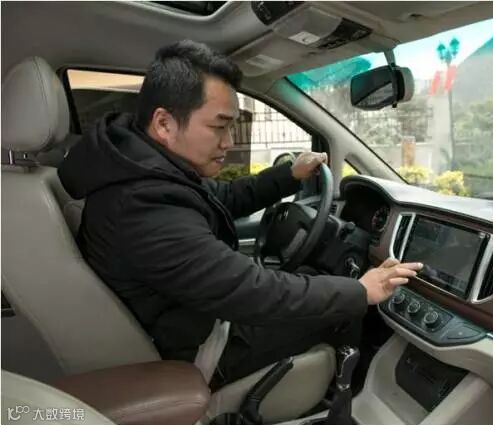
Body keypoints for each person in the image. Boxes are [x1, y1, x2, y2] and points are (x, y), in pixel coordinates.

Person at [58, 40, 422, 384]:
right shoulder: (143, 205)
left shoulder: (143, 169)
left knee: (320, 283)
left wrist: (289, 175)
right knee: (344, 308)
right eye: (219, 126)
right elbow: (251, 290)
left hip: (188, 320)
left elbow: (223, 197)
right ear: (164, 123)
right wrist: (360, 292)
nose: (229, 142)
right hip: (199, 350)